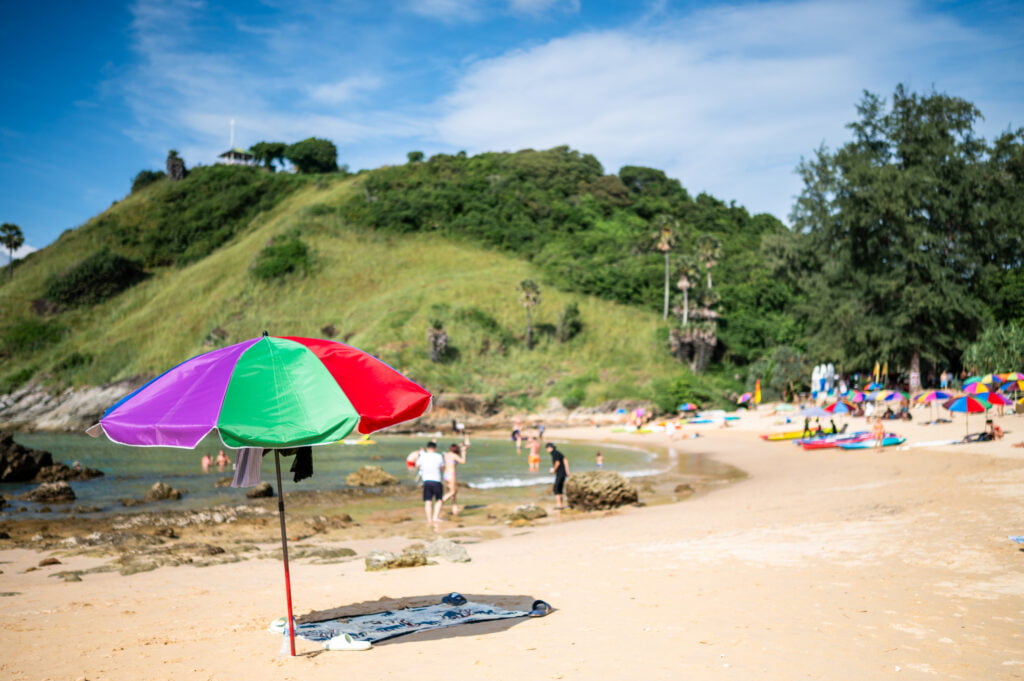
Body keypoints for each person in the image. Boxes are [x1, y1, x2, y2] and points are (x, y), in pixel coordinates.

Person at [408, 441, 445, 529]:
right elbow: (442, 468)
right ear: (435, 448)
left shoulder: (423, 456)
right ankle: (435, 517)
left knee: (428, 501)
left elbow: (416, 466)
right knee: (438, 500)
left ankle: (429, 519)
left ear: (427, 448)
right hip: (436, 480)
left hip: (426, 481)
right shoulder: (439, 456)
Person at [442, 438, 469, 517]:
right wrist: (463, 452)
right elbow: (463, 461)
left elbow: (455, 451)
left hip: (446, 475)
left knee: (454, 495)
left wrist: (460, 446)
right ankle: (441, 501)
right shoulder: (454, 456)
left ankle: (455, 511)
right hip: (451, 474)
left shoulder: (447, 455)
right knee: (453, 492)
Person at [546, 442, 570, 510]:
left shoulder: (554, 453)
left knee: (556, 489)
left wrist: (554, 470)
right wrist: (567, 471)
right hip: (563, 473)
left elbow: (557, 462)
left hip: (560, 473)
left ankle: (559, 505)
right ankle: (561, 505)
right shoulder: (558, 452)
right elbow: (565, 460)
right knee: (560, 489)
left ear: (549, 448)